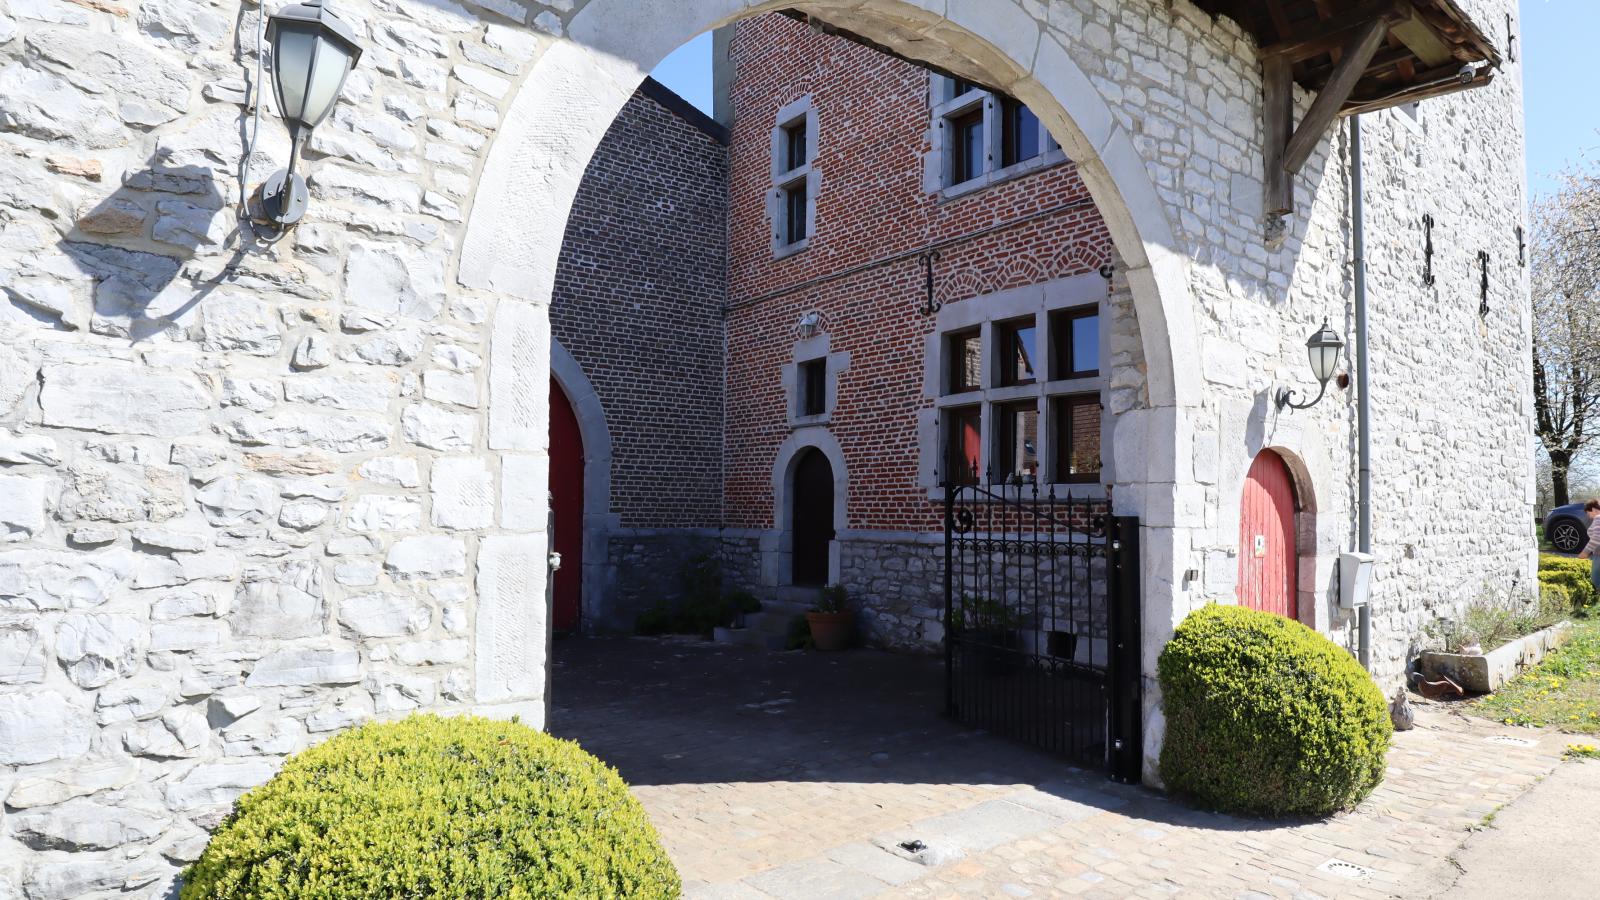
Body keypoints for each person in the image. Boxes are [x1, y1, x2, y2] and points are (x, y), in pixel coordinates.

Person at [1577, 499, 1600, 594]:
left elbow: (1597, 536)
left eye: (1588, 513)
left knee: (1596, 579)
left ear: (1594, 509)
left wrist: (1585, 552)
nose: (1589, 517)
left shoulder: (1598, 517)